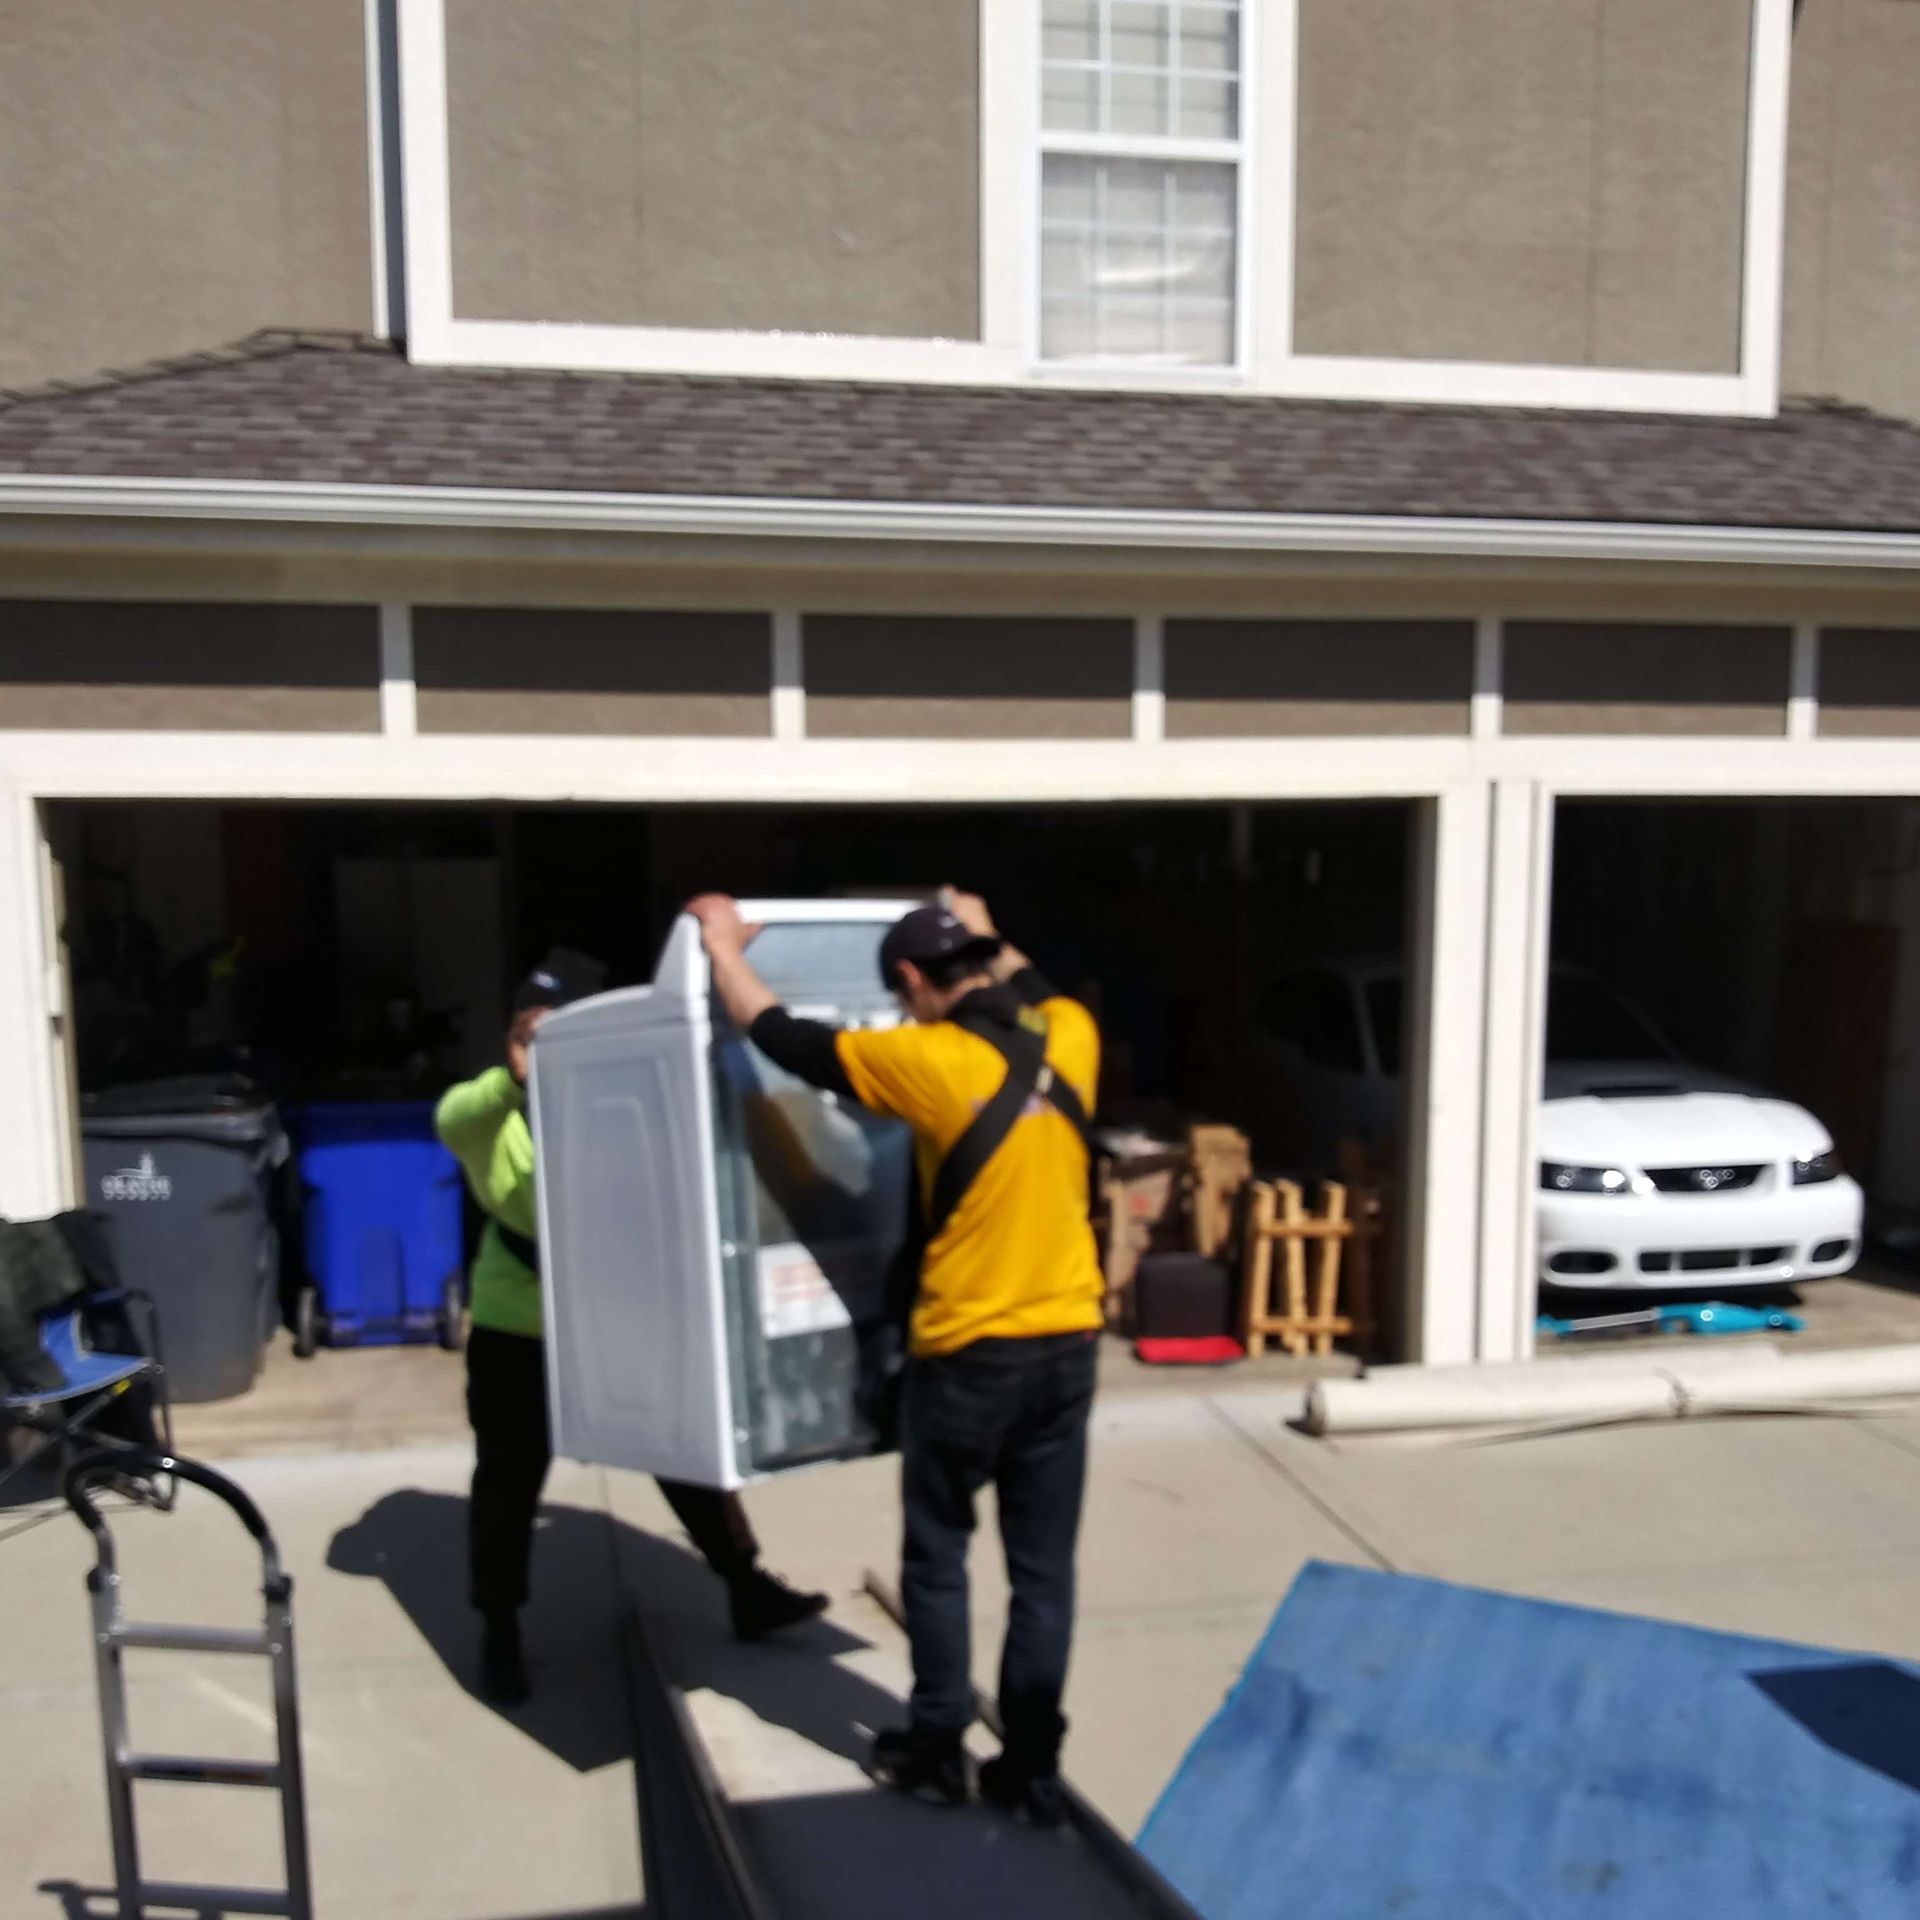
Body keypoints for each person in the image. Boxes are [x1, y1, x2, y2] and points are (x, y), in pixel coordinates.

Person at [689, 890, 1102, 1826]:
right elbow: (1025, 975)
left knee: (939, 1558)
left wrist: (722, 946)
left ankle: (934, 1744)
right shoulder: (1072, 1034)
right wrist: (984, 916)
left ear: (913, 983)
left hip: (966, 1358)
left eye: (907, 989)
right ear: (990, 960)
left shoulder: (924, 1061)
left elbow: (782, 1036)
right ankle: (1031, 1767)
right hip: (1070, 1351)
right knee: (1044, 1573)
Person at [437, 948, 829, 1706]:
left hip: (626, 1311)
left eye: (561, 1031)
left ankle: (745, 1586)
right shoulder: (485, 1113)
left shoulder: (630, 1100)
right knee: (508, 1479)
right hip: (522, 1325)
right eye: (526, 1031)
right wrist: (520, 1076)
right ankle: (499, 1629)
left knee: (684, 1449)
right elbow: (455, 1114)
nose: (542, 1045)